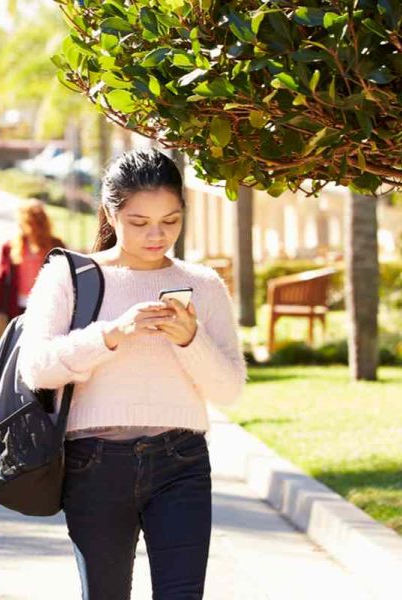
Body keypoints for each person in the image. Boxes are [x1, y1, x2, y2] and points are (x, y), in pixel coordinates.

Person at [18, 149, 246, 599]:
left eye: (171, 220)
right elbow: (37, 368)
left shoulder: (204, 284)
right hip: (94, 463)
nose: (157, 235)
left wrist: (189, 339)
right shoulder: (68, 275)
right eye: (140, 222)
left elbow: (229, 389)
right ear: (110, 212)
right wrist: (113, 334)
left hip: (182, 462)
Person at [0, 199, 64, 338]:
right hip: (16, 307)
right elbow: (2, 280)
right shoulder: (10, 247)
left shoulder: (56, 245)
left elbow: (66, 278)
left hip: (47, 306)